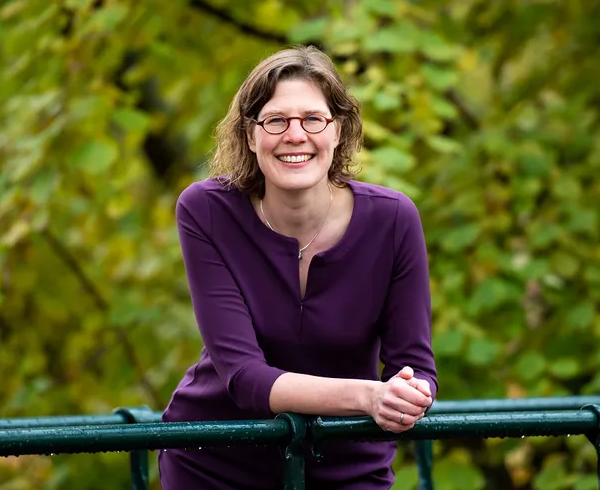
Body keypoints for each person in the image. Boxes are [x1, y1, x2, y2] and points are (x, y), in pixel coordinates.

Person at [159, 45, 438, 489]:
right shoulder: (206, 210)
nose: (295, 135)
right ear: (251, 136)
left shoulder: (394, 219)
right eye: (276, 121)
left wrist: (409, 392)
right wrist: (369, 396)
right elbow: (246, 379)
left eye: (312, 119)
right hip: (217, 459)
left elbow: (415, 364)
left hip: (348, 465)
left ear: (337, 131)